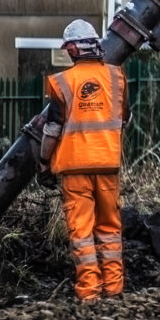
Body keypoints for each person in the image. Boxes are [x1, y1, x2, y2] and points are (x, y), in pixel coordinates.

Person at [38, 20, 128, 302]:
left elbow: (52, 130)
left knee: (81, 231)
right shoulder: (117, 78)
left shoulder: (63, 82)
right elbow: (126, 119)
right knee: (110, 229)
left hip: (74, 168)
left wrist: (43, 162)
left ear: (73, 49)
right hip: (107, 165)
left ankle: (89, 291)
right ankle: (114, 289)